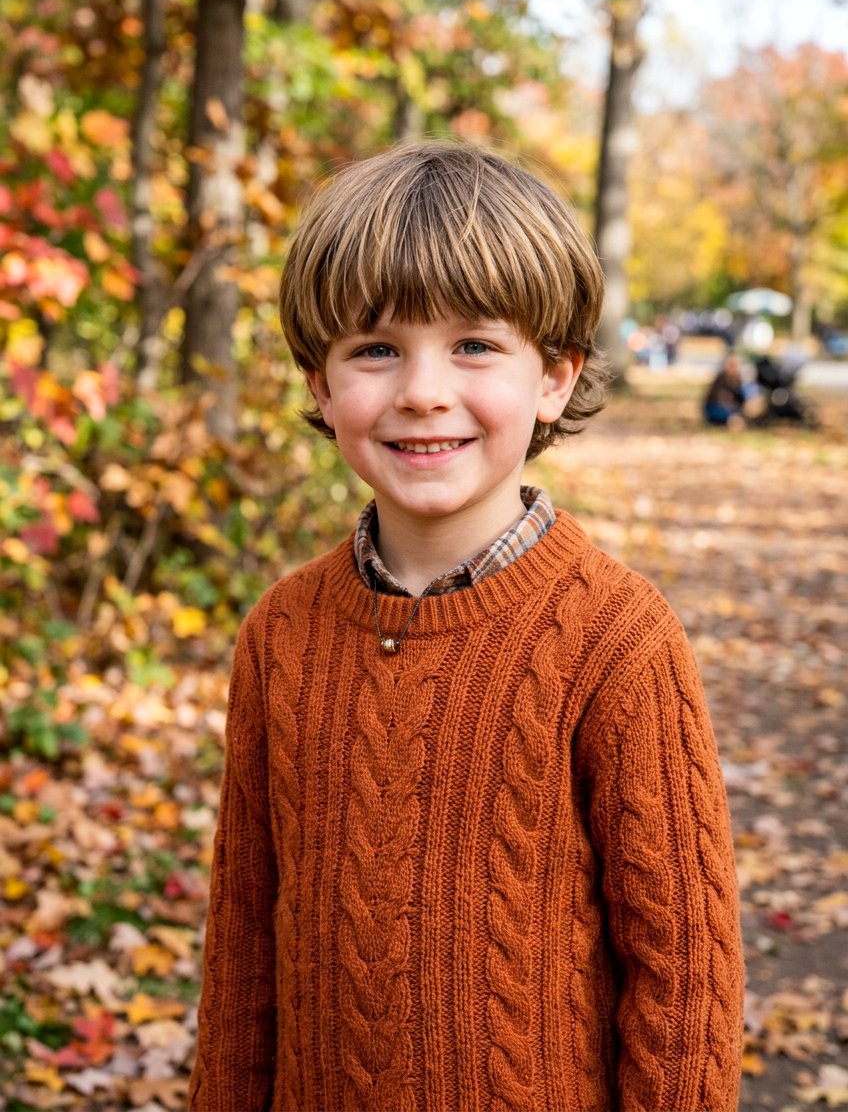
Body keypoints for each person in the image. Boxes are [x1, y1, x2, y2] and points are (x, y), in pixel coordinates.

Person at [189, 140, 744, 1111]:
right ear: (319, 385)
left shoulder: (616, 639)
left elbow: (684, 979)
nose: (421, 389)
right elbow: (242, 954)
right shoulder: (280, 636)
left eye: (474, 345)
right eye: (374, 348)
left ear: (554, 378)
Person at [703, 353, 764, 429]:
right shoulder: (720, 381)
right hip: (719, 411)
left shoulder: (743, 381)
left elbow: (751, 397)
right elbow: (717, 401)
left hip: (735, 411)